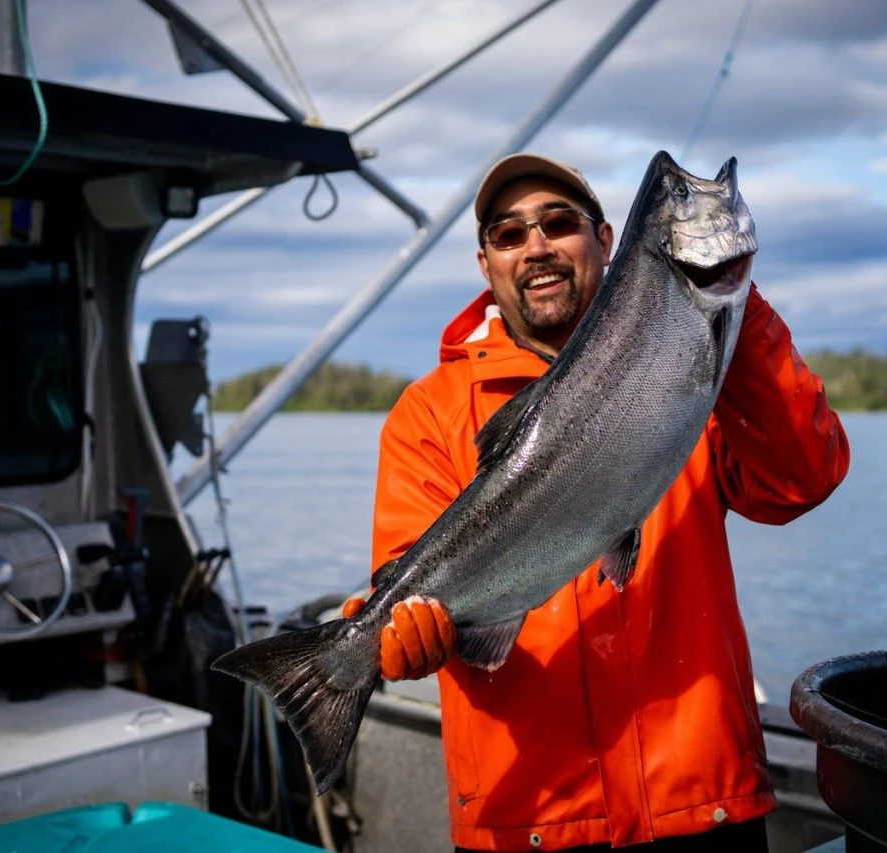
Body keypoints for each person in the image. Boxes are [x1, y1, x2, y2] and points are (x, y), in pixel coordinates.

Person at [341, 153, 850, 852]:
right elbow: (403, 567)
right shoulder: (427, 413)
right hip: (528, 819)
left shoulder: (691, 368)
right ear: (485, 263)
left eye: (558, 222)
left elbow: (803, 475)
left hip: (703, 805)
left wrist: (729, 301)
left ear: (607, 241)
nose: (537, 246)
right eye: (509, 233)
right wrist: (387, 636)